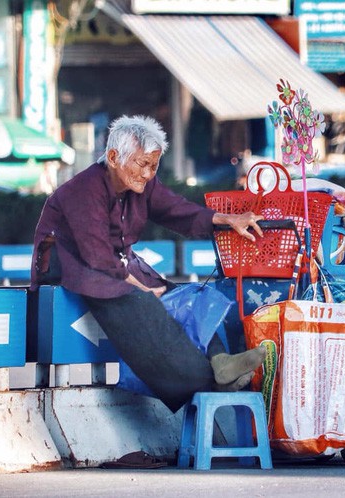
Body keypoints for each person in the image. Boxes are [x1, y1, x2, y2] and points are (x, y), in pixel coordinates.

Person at [30, 114, 267, 413]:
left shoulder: (144, 185)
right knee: (138, 299)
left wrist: (226, 219)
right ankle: (205, 381)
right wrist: (139, 285)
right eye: (142, 164)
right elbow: (96, 254)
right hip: (67, 262)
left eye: (153, 166)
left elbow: (177, 210)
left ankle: (221, 363)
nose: (147, 173)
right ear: (114, 157)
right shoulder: (83, 189)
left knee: (182, 297)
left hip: (113, 262)